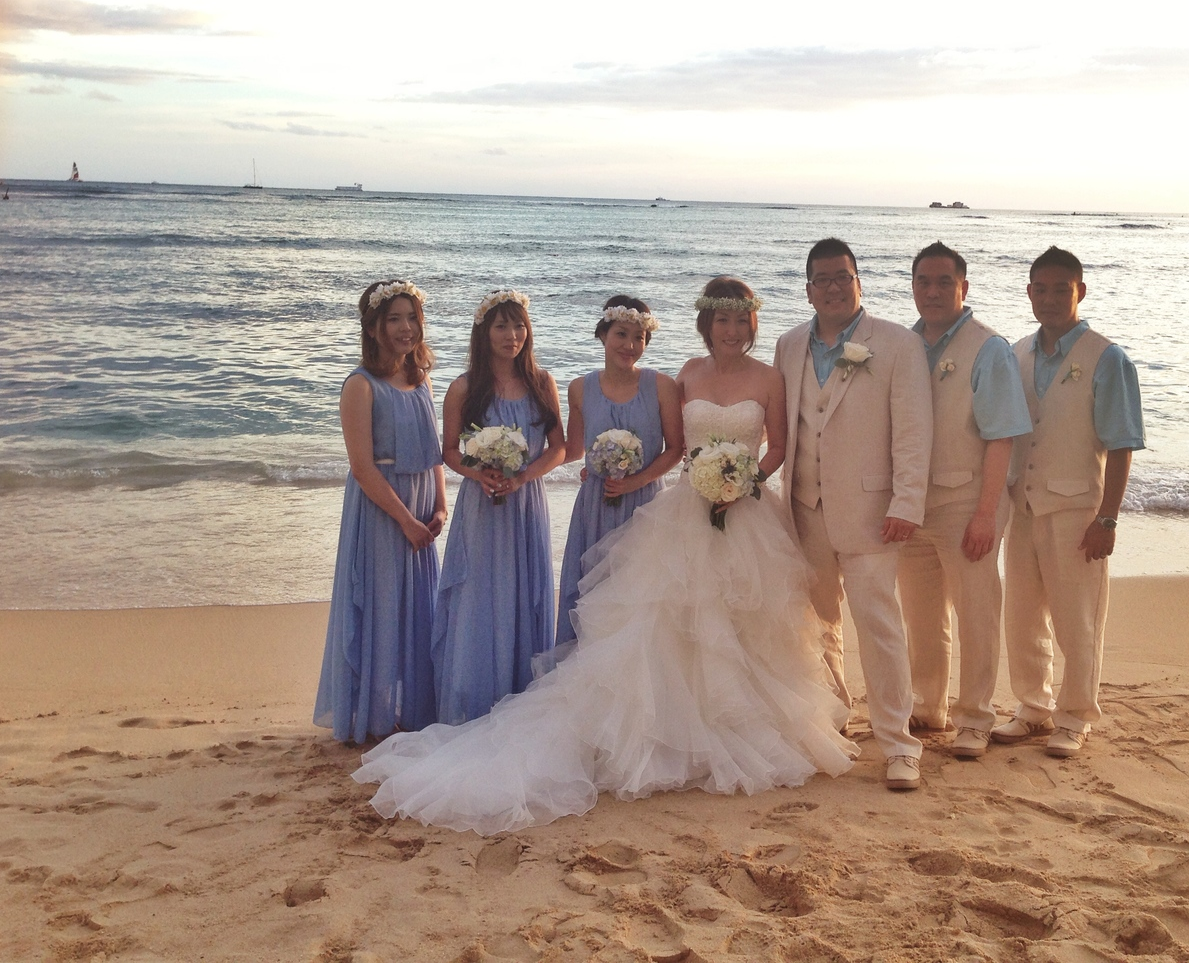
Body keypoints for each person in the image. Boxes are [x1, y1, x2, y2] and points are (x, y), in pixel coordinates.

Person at [352, 277, 856, 835]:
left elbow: (774, 445)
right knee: (665, 621)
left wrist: (742, 482)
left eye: (741, 321)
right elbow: (623, 447)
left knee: (747, 622)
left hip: (745, 510)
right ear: (706, 326)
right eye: (722, 321)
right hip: (684, 512)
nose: (731, 331)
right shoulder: (683, 375)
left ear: (751, 325)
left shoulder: (750, 379)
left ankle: (751, 720)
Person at [774, 239, 933, 791]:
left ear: (858, 280)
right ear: (809, 289)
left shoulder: (894, 343)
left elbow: (914, 432)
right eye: (824, 279)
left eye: (844, 276)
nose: (835, 287)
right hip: (803, 506)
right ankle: (836, 724)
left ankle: (898, 744)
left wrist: (907, 503)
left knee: (880, 626)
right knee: (820, 626)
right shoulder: (788, 345)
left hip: (873, 511)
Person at [994, 246, 1145, 758]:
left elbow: (1122, 444)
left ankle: (1076, 715)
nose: (1052, 298)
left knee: (1078, 618)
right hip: (1023, 506)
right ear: (1029, 293)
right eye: (1042, 288)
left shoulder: (1107, 357)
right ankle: (1032, 708)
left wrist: (1108, 517)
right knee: (1021, 614)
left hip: (1079, 508)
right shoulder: (1015, 354)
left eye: (1063, 288)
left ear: (1081, 291)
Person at [898, 242, 1032, 759]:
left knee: (976, 610)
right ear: (912, 287)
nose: (932, 292)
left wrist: (985, 515)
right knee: (921, 612)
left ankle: (975, 716)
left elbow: (1002, 437)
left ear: (963, 288)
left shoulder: (987, 348)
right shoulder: (903, 345)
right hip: (913, 502)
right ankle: (927, 705)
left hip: (968, 500)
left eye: (943, 282)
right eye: (923, 282)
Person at [315, 280, 447, 743]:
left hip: (421, 507)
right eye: (394, 319)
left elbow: (433, 454)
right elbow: (362, 467)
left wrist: (441, 507)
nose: (406, 328)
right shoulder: (360, 385)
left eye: (412, 317)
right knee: (381, 606)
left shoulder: (421, 378)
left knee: (418, 610)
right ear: (373, 327)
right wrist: (405, 520)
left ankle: (409, 709)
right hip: (381, 511)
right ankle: (371, 715)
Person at [433, 289, 565, 725]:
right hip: (483, 505)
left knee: (527, 594)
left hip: (526, 502)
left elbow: (560, 448)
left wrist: (525, 476)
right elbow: (449, 451)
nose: (513, 335)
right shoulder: (465, 387)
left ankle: (523, 701)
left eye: (519, 325)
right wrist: (479, 473)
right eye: (502, 326)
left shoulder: (542, 383)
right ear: (484, 331)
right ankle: (474, 701)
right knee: (481, 596)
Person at [556, 296, 684, 643]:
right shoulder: (580, 388)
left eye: (639, 338)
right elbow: (574, 448)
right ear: (603, 334)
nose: (630, 345)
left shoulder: (661, 386)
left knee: (637, 595)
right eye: (621, 334)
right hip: (594, 506)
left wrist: (636, 481)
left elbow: (676, 448)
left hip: (643, 504)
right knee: (591, 590)